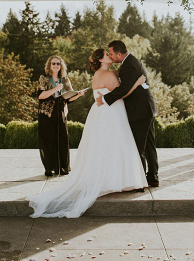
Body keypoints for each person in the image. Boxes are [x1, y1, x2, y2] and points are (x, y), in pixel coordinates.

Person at [28, 49, 147, 218]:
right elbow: (121, 94)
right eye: (107, 55)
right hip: (111, 113)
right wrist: (137, 83)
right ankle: (114, 181)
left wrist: (77, 94)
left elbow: (69, 98)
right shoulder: (107, 75)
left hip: (99, 113)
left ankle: (108, 179)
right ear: (100, 59)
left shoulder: (101, 73)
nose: (110, 56)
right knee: (116, 145)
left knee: (104, 147)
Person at [96, 40, 159, 187]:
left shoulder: (129, 65)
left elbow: (124, 89)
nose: (110, 57)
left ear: (119, 54)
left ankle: (140, 182)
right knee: (149, 145)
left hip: (140, 111)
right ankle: (152, 177)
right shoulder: (129, 62)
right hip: (146, 109)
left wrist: (104, 98)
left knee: (138, 147)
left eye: (111, 54)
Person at [37, 55, 85, 177]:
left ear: (61, 66)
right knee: (48, 141)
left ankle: (62, 167)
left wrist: (78, 94)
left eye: (58, 63)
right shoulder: (43, 78)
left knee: (62, 140)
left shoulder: (65, 80)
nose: (56, 66)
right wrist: (55, 89)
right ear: (49, 65)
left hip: (60, 113)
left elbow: (68, 98)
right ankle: (49, 167)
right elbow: (41, 96)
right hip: (47, 114)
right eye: (53, 63)